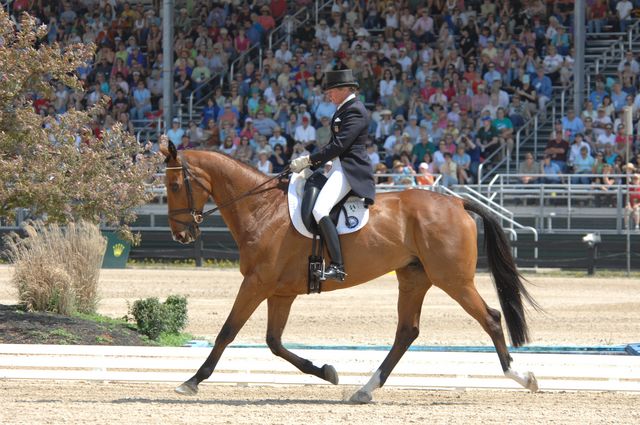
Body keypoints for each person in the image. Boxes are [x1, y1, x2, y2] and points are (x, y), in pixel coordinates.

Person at [290, 69, 375, 282]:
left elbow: (340, 145)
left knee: (320, 209)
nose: (328, 96)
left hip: (350, 169)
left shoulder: (355, 110)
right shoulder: (343, 109)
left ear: (345, 89)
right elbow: (333, 145)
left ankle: (337, 266)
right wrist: (318, 166)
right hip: (337, 165)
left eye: (331, 92)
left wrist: (309, 160)